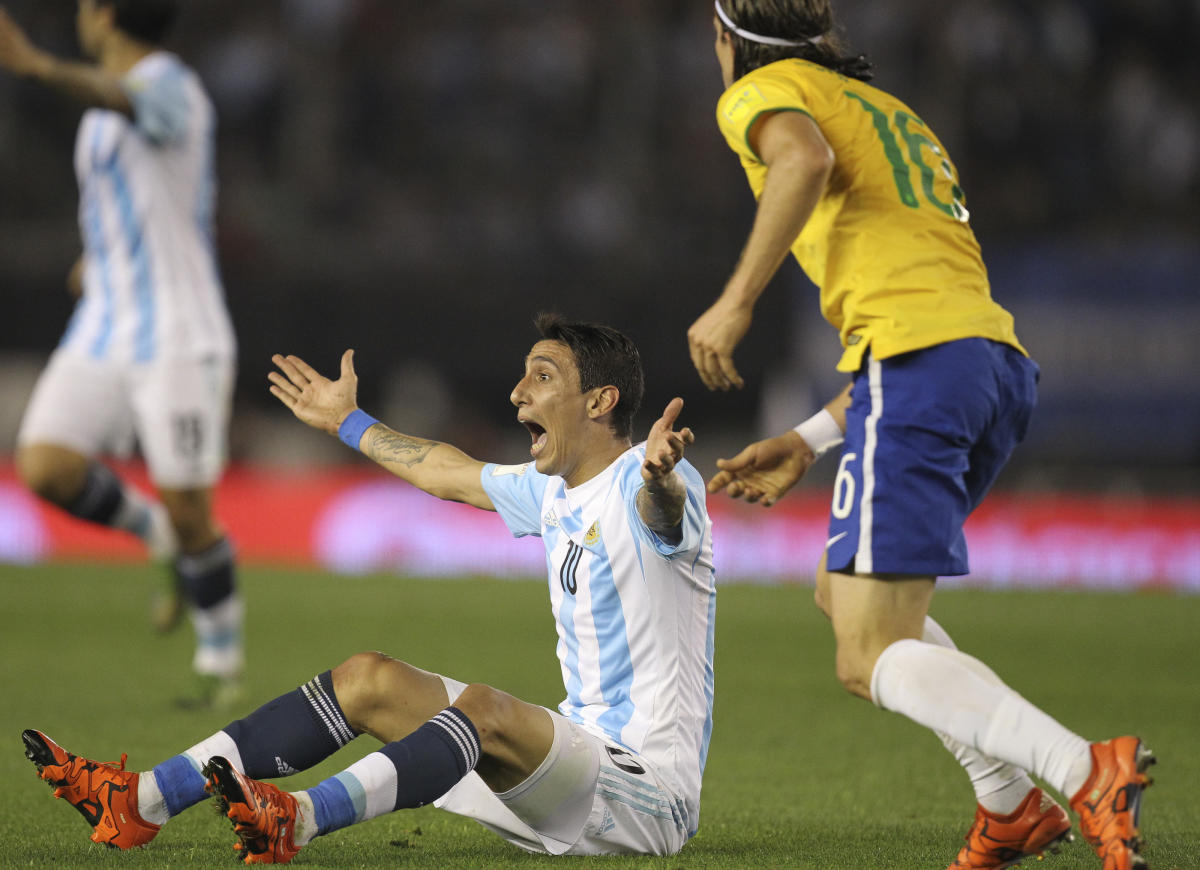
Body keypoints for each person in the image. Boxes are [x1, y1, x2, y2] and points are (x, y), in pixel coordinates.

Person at [688, 3, 1153, 869]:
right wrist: (810, 438)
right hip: (987, 366)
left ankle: (1081, 769)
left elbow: (802, 159)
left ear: (727, 38)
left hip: (919, 368)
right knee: (844, 593)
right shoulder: (887, 109)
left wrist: (738, 298)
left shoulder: (762, 94)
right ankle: (1009, 806)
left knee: (868, 654)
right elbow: (926, 303)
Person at [22, 313, 717, 862]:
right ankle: (140, 801)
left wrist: (660, 480)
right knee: (367, 680)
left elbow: (663, 516)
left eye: (541, 376)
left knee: (486, 709)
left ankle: (299, 818)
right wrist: (347, 424)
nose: (517, 393)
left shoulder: (650, 477)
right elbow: (446, 470)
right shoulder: (553, 491)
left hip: (646, 794)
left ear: (600, 399)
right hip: (572, 765)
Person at [0, 0, 242, 704]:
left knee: (194, 504)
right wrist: (97, 256)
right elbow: (137, 197)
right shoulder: (104, 111)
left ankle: (220, 667)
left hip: (178, 330)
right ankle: (154, 532)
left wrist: (36, 65)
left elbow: (123, 99)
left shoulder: (170, 84)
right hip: (104, 322)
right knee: (44, 465)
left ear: (104, 16)